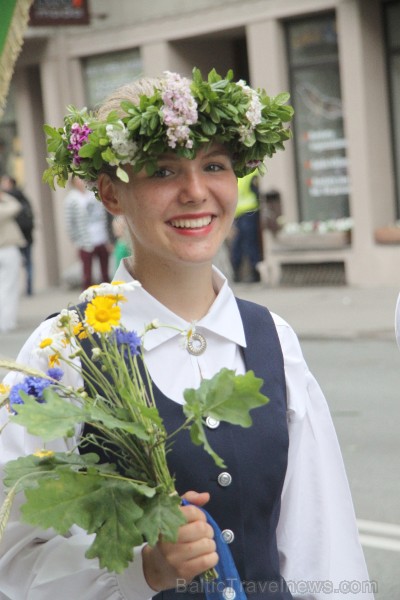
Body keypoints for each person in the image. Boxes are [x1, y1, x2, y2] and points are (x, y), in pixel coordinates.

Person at [0, 69, 374, 599]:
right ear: (110, 194)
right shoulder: (64, 349)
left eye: (214, 166)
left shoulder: (271, 338)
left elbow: (324, 542)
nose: (196, 192)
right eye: (163, 171)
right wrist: (141, 570)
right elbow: (12, 561)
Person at [64, 176, 111, 289]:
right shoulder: (71, 199)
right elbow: (70, 223)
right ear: (73, 183)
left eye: (82, 179)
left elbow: (104, 216)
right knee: (87, 273)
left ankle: (109, 294)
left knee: (105, 272)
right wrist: (77, 241)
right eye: (78, 180)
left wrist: (108, 238)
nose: (80, 182)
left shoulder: (94, 194)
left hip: (101, 237)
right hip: (86, 241)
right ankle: (88, 298)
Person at [0, 175, 35, 296]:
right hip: (22, 236)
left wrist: (4, 196)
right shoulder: (20, 196)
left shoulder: (10, 198)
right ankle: (29, 288)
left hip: (19, 237)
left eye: (4, 182)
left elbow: (16, 207)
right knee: (28, 262)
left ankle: (29, 288)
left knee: (25, 263)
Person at [230, 172, 263, 283]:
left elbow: (257, 191)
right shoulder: (245, 172)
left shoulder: (250, 172)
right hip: (243, 213)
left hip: (249, 212)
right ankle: (240, 274)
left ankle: (254, 274)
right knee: (242, 244)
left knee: (249, 243)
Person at [0, 188, 25, 332]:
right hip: (7, 249)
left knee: (4, 286)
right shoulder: (3, 209)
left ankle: (5, 321)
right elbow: (16, 206)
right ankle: (7, 322)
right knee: (9, 287)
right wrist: (4, 196)